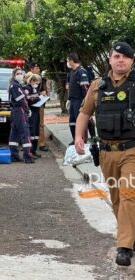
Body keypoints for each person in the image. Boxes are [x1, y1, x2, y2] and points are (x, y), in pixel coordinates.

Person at [75, 42, 135, 266]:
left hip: (132, 150)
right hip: (107, 152)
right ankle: (130, 236)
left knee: (130, 194)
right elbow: (84, 112)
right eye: (117, 56)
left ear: (132, 60)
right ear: (110, 59)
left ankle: (124, 247)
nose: (121, 60)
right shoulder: (97, 86)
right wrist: (78, 137)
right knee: (117, 198)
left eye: (126, 57)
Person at [8, 67, 34, 164]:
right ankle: (27, 156)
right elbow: (22, 100)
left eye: (21, 73)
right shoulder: (15, 86)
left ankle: (14, 155)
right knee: (25, 133)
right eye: (18, 73)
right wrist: (27, 110)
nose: (20, 75)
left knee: (14, 134)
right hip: (19, 110)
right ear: (14, 75)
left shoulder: (14, 85)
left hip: (15, 111)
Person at [66, 53, 90, 145]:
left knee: (80, 121)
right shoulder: (72, 72)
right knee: (72, 122)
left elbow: (85, 88)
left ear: (72, 60)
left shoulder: (81, 71)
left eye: (68, 61)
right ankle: (75, 139)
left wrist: (85, 102)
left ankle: (83, 140)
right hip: (72, 101)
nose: (67, 63)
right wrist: (69, 99)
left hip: (79, 100)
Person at [27, 61, 49, 152]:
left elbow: (45, 90)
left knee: (40, 124)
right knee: (30, 125)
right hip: (31, 105)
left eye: (39, 68)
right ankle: (29, 143)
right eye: (36, 68)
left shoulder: (42, 79)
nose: (38, 69)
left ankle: (41, 143)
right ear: (31, 69)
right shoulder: (28, 78)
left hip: (40, 104)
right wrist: (39, 94)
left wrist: (44, 93)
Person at [23, 74, 42, 158]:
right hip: (31, 111)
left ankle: (34, 150)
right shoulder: (27, 88)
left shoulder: (34, 88)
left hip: (36, 110)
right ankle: (30, 151)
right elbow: (29, 99)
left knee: (36, 131)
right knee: (32, 130)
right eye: (35, 81)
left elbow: (36, 97)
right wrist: (37, 97)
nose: (36, 83)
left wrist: (37, 97)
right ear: (31, 81)